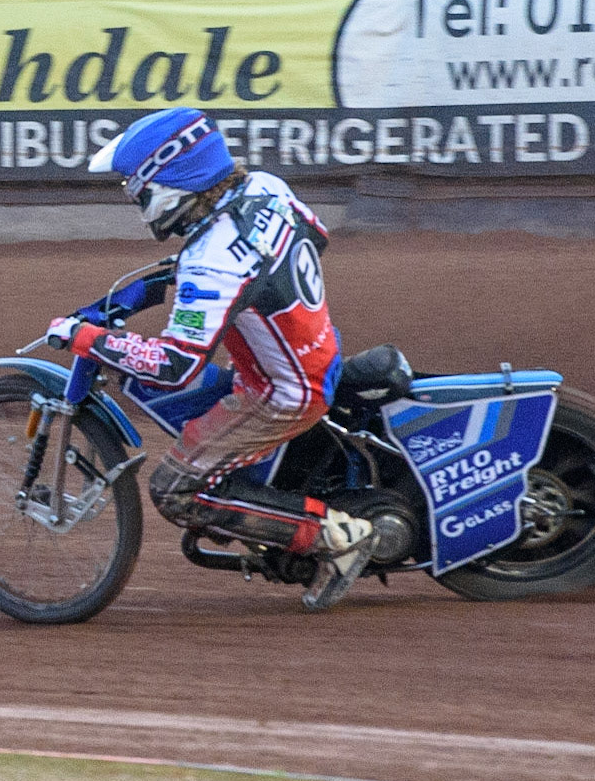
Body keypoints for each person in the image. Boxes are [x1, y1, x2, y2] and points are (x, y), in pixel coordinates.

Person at [44, 107, 376, 611]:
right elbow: (316, 236)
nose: (137, 198)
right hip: (317, 352)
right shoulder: (266, 187)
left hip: (281, 393)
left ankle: (337, 536)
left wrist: (89, 339)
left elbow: (176, 367)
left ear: (171, 180)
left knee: (174, 490)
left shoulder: (211, 261)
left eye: (139, 186)